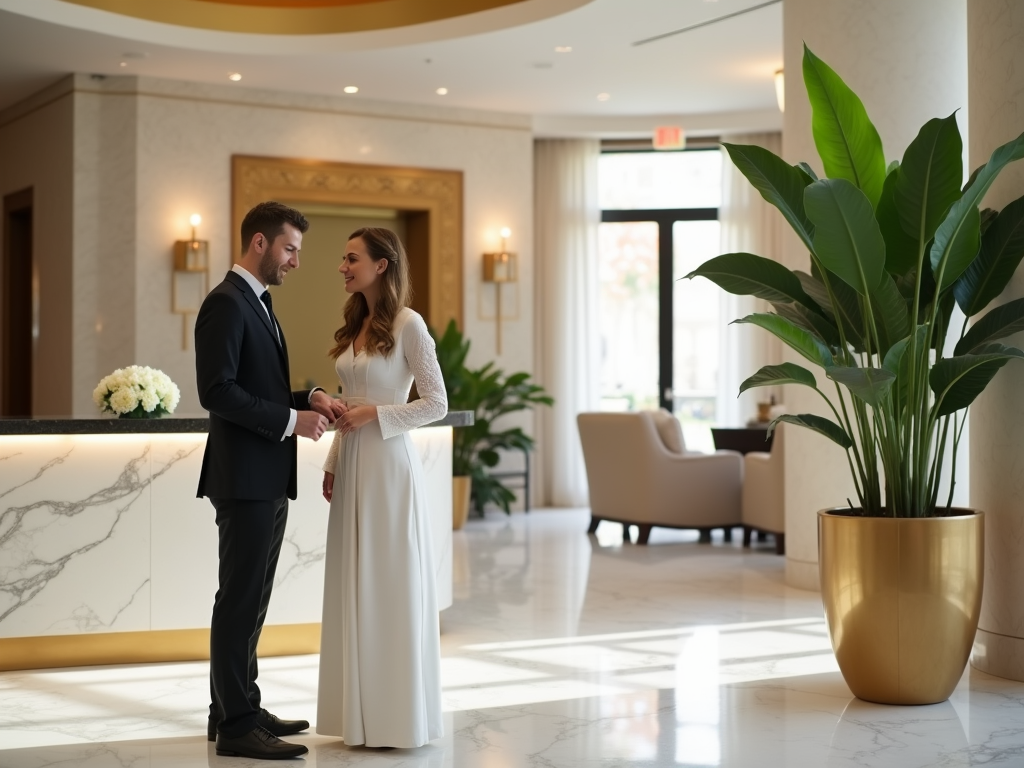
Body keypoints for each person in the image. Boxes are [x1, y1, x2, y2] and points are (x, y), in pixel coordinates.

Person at [195, 201, 345, 760]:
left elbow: (255, 385)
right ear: (259, 243)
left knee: (252, 598)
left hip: (264, 476)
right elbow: (218, 390)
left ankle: (237, 707)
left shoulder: (256, 303)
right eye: (290, 249)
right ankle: (236, 726)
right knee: (238, 600)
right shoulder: (225, 303)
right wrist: (290, 421)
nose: (296, 261)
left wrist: (308, 399)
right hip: (244, 477)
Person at [317, 227, 447, 748]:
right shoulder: (356, 323)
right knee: (354, 582)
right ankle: (358, 715)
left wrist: (378, 414)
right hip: (352, 466)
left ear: (382, 265)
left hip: (390, 467)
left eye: (351, 258)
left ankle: (396, 717)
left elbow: (435, 401)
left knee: (387, 584)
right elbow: (350, 401)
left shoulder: (409, 324)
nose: (342, 266)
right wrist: (332, 460)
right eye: (343, 258)